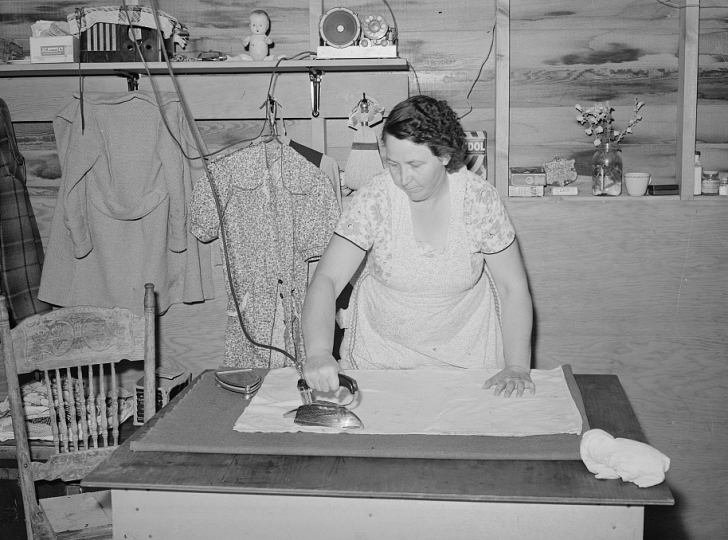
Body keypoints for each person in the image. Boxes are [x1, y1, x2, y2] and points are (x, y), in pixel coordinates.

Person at [301, 95, 535, 398]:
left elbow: (512, 287)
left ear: (445, 155)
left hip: (470, 367)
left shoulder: (479, 201)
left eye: (415, 164)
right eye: (394, 164)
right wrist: (319, 352)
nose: (403, 179)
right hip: (379, 364)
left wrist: (517, 367)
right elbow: (327, 279)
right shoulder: (376, 197)